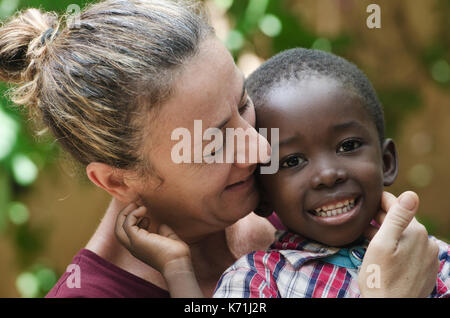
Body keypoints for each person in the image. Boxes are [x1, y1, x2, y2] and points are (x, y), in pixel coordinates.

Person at [0, 0, 439, 298]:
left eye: (243, 103)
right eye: (212, 142)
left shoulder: (291, 197)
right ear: (117, 179)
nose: (256, 148)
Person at [116, 48, 448, 298]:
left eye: (347, 146)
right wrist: (178, 270)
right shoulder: (259, 279)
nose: (328, 175)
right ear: (262, 196)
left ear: (387, 161)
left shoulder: (430, 256)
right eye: (291, 162)